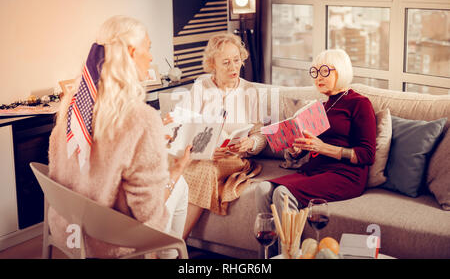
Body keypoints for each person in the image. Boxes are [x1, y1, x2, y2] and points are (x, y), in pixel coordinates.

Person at [47, 15, 191, 259]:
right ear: (133, 52)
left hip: (67, 228)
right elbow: (148, 215)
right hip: (110, 242)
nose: (152, 57)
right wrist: (176, 171)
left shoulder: (73, 103)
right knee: (182, 185)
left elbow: (65, 167)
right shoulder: (142, 119)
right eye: (149, 47)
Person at [255, 49, 376, 252]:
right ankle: (267, 258)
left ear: (341, 72)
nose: (318, 77)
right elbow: (311, 145)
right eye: (315, 72)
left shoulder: (359, 104)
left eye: (325, 71)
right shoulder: (322, 106)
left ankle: (290, 255)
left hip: (346, 175)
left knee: (283, 193)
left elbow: (367, 154)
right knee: (263, 189)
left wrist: (324, 148)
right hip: (315, 171)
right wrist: (296, 150)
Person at [176, 33, 267, 239]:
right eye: (225, 62)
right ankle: (169, 241)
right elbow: (182, 127)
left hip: (234, 160)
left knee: (205, 171)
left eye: (237, 60)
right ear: (212, 64)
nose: (233, 67)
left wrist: (251, 143)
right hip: (201, 157)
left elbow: (260, 133)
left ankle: (177, 242)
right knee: (198, 169)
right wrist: (205, 150)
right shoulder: (201, 87)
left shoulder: (249, 90)